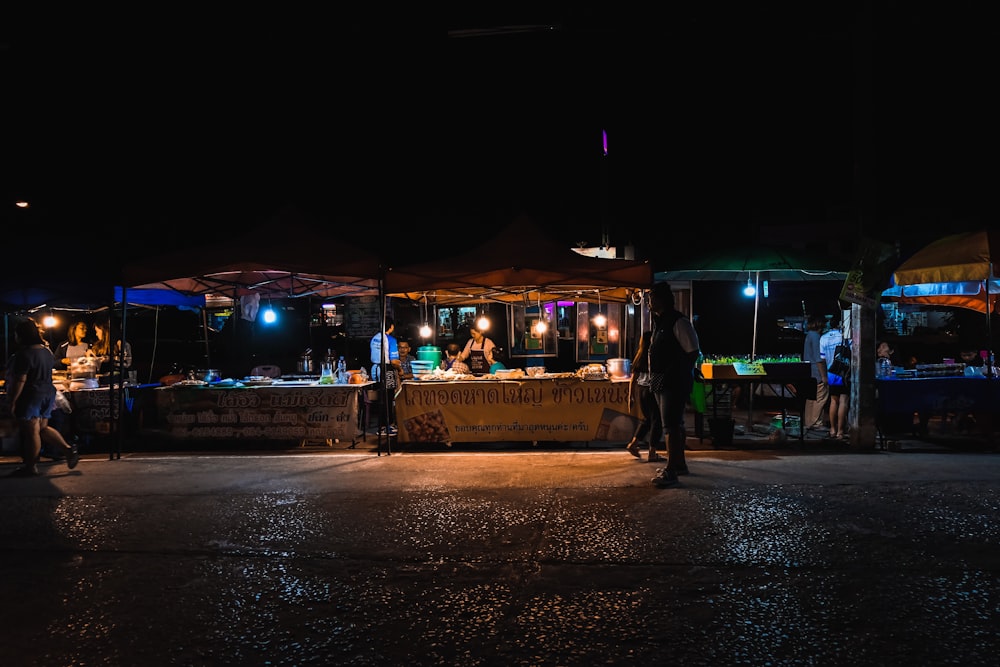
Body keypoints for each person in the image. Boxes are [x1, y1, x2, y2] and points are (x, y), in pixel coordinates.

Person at [646, 283, 701, 489]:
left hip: (673, 381)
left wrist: (676, 373)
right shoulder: (659, 322)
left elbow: (693, 352)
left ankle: (670, 470)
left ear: (662, 299)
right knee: (674, 423)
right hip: (661, 380)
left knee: (670, 425)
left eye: (652, 298)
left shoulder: (678, 321)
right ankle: (679, 464)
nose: (649, 303)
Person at [7, 319, 79, 477]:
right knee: (43, 428)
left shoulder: (24, 355)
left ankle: (31, 467)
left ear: (22, 335)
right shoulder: (46, 352)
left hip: (31, 395)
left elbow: (21, 380)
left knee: (32, 431)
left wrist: (12, 401)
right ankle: (67, 450)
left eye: (16, 333)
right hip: (48, 393)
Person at [625, 329, 663, 462]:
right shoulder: (653, 354)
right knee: (657, 420)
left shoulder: (639, 355)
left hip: (641, 390)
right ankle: (652, 452)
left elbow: (633, 378)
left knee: (647, 419)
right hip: (651, 390)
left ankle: (633, 444)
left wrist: (631, 396)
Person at [369, 318, 401, 435]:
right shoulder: (391, 340)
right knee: (388, 398)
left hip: (375, 370)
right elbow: (394, 361)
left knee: (381, 398)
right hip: (387, 370)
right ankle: (387, 426)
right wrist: (400, 369)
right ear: (391, 326)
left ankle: (381, 426)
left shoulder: (375, 338)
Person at [820, 317, 849, 439]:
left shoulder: (823, 338)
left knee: (833, 401)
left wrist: (824, 375)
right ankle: (840, 432)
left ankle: (832, 429)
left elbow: (822, 359)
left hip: (830, 373)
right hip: (844, 373)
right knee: (843, 401)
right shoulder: (845, 338)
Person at [802, 314, 829, 432]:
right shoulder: (817, 337)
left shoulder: (808, 335)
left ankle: (808, 421)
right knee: (821, 397)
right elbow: (818, 359)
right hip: (816, 372)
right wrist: (824, 376)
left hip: (808, 371)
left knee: (810, 398)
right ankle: (816, 422)